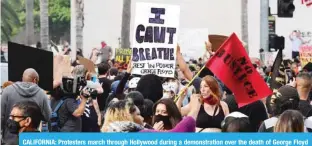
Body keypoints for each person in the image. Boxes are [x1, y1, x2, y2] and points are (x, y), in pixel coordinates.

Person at [1, 68, 51, 144]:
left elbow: (1, 116)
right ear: (35, 80)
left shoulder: (7, 91)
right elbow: (48, 117)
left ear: (22, 78)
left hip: (9, 140)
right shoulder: (42, 94)